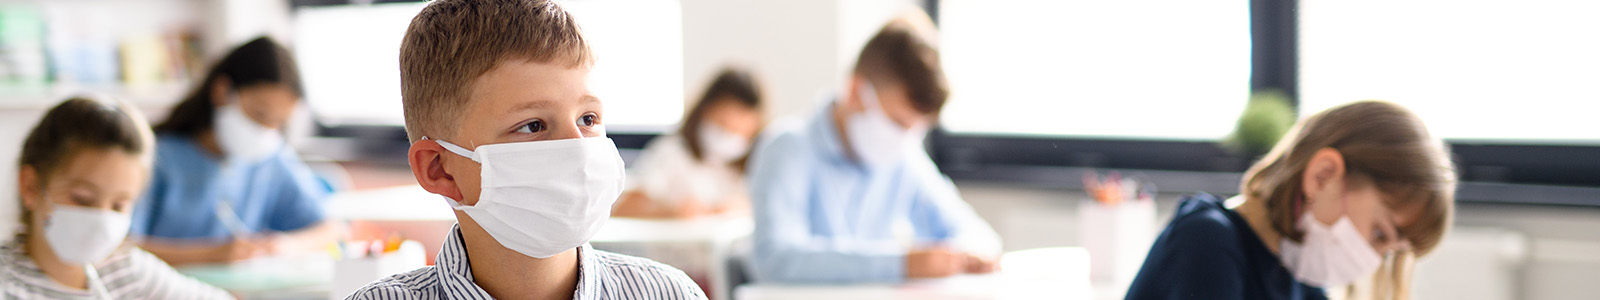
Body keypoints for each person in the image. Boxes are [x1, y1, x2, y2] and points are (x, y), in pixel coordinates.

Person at [345, 0, 704, 299]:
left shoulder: (668, 293)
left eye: (588, 118)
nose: (578, 151)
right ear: (440, 168)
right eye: (533, 126)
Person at [744, 9, 1002, 284]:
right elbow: (776, 259)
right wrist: (901, 263)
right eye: (898, 122)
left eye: (915, 128)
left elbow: (972, 231)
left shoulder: (904, 157)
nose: (905, 136)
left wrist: (971, 253)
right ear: (856, 91)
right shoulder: (787, 148)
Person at [1125, 100, 1457, 300]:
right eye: (1379, 234)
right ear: (1323, 176)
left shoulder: (1301, 275)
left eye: (1389, 252)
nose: (1371, 261)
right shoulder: (1206, 240)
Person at [132, 37, 340, 266]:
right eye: (260, 114)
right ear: (222, 91)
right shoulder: (155, 159)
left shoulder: (270, 159)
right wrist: (210, 255)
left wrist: (283, 246)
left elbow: (330, 229)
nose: (266, 130)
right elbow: (121, 250)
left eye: (279, 122)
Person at [3, 97, 234, 299]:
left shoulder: (128, 272)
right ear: (31, 186)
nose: (102, 218)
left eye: (119, 205)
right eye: (82, 199)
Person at [612, 67, 765, 219]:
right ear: (704, 110)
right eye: (723, 125)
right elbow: (624, 207)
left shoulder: (751, 168)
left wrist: (740, 207)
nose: (730, 137)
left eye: (741, 133)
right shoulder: (671, 152)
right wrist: (672, 212)